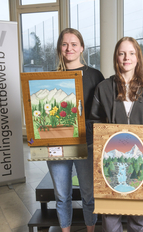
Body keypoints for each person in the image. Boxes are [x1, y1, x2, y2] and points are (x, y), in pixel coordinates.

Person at [90, 37, 143, 232]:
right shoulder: (103, 88)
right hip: (110, 154)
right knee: (111, 213)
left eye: (131, 53)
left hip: (141, 155)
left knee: (139, 213)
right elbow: (94, 120)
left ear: (138, 57)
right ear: (116, 57)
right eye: (122, 53)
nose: (126, 58)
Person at [46, 28, 104, 232]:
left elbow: (102, 112)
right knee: (62, 196)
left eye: (73, 44)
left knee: (89, 194)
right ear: (59, 49)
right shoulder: (50, 78)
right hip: (58, 144)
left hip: (86, 143)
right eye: (64, 44)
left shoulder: (96, 76)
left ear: (81, 48)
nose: (69, 48)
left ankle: (91, 230)